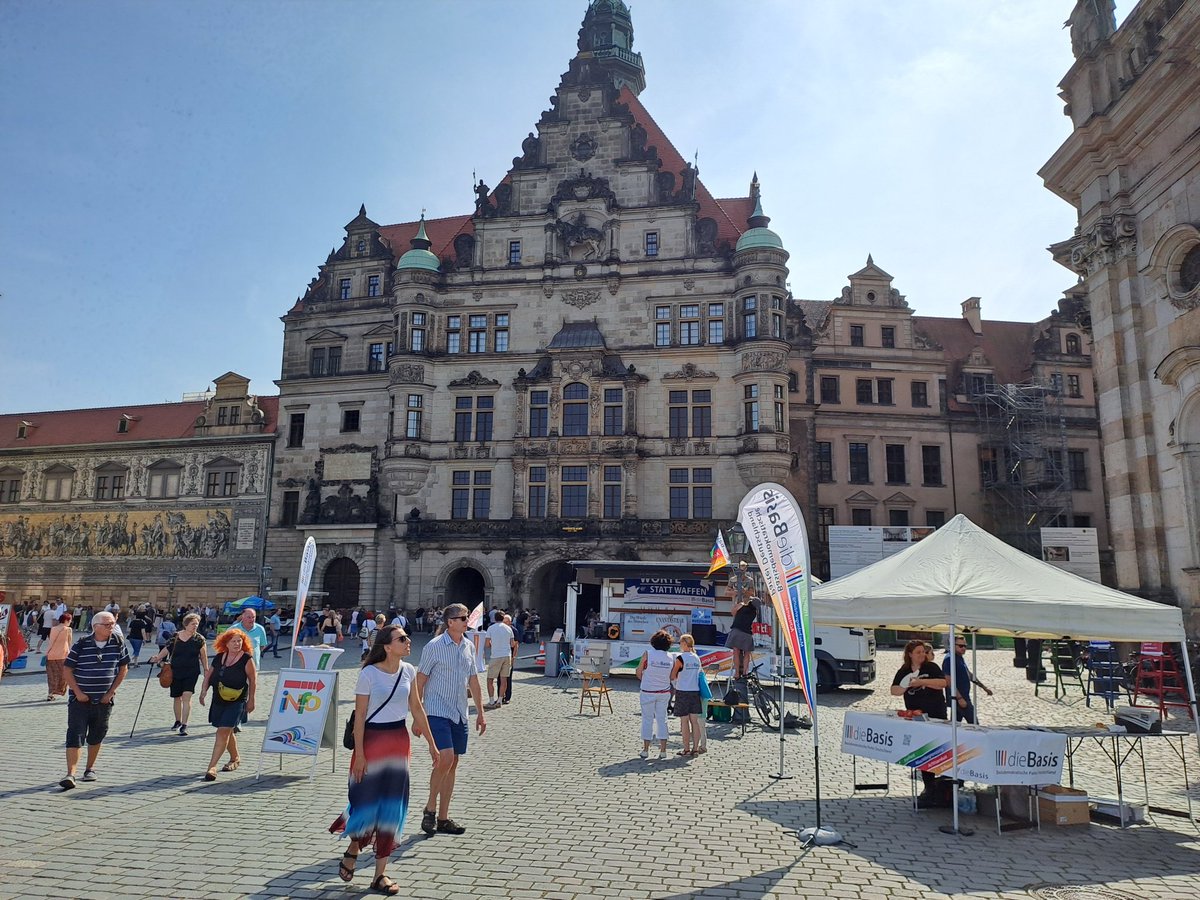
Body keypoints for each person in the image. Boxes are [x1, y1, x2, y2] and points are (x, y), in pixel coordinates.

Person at [330, 625, 439, 895]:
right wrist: (360, 755)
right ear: (387, 646)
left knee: (391, 808)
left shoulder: (409, 671)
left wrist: (432, 746)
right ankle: (353, 849)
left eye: (407, 638)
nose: (408, 641)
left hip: (398, 742)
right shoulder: (368, 674)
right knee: (366, 805)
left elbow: (417, 708)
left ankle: (380, 875)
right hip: (371, 742)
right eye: (402, 639)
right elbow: (360, 716)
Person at [413, 603, 486, 836]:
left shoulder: (468, 646)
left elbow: (473, 680)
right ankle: (430, 808)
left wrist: (481, 713)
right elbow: (420, 680)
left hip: (459, 712)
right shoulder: (434, 647)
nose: (467, 621)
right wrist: (417, 716)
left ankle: (443, 818)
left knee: (453, 763)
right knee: (444, 758)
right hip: (436, 711)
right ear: (450, 622)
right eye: (462, 618)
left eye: (467, 618)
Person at [59, 611, 131, 789]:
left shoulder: (118, 643)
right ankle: (71, 774)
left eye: (113, 623)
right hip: (79, 700)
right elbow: (67, 670)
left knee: (97, 735)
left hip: (104, 700)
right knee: (75, 734)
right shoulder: (82, 643)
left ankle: (90, 769)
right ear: (95, 626)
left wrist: (111, 692)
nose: (111, 627)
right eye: (107, 624)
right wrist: (77, 692)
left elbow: (123, 669)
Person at [890, 639, 950, 808]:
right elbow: (894, 690)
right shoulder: (904, 670)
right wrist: (906, 685)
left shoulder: (931, 667)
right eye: (918, 652)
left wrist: (922, 682)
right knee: (924, 751)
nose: (922, 654)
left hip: (936, 715)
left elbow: (943, 683)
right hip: (916, 717)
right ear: (910, 654)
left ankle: (943, 786)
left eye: (923, 651)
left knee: (939, 749)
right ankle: (929, 788)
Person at [197, 629, 256, 780]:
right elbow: (209, 676)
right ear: (226, 643)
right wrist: (203, 691)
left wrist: (251, 700)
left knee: (222, 731)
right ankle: (235, 757)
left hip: (237, 701)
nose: (237, 644)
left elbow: (253, 680)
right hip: (218, 699)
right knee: (227, 730)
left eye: (239, 641)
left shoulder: (246, 659)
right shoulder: (219, 657)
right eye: (234, 641)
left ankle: (212, 767)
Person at [150, 612, 209, 736]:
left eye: (197, 624)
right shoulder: (175, 637)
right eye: (193, 624)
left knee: (186, 696)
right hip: (175, 671)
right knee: (177, 697)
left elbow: (203, 656)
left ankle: (184, 724)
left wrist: (206, 669)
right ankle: (177, 721)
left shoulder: (199, 639)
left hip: (191, 672)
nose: (195, 626)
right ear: (186, 625)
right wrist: (157, 657)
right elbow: (167, 649)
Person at [636, 630, 674, 760]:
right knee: (662, 719)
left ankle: (645, 750)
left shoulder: (648, 654)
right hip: (664, 691)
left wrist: (646, 680)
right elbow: (672, 676)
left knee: (647, 720)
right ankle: (663, 751)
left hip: (648, 691)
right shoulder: (671, 657)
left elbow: (638, 672)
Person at [943, 636, 993, 725]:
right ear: (953, 645)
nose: (964, 648)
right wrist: (959, 698)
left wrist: (984, 687)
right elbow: (949, 681)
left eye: (965, 646)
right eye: (961, 646)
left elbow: (968, 674)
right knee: (974, 724)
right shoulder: (949, 659)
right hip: (959, 698)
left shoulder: (959, 657)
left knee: (955, 724)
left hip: (963, 696)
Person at [670, 633, 703, 756]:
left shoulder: (680, 658)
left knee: (684, 721)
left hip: (683, 690)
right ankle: (695, 748)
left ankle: (686, 749)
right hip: (695, 691)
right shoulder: (696, 657)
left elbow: (673, 675)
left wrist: (675, 682)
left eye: (680, 643)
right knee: (695, 721)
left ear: (684, 644)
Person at [484, 611, 516, 709]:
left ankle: (491, 700)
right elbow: (512, 644)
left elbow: (487, 644)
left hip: (496, 655)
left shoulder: (491, 628)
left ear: (494, 618)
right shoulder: (509, 628)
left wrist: (493, 645)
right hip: (507, 655)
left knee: (490, 679)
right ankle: (500, 700)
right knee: (504, 679)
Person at [727, 584, 760, 679]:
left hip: (736, 631)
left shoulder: (741, 606)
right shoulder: (754, 613)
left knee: (736, 652)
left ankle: (737, 672)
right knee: (747, 653)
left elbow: (732, 612)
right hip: (747, 633)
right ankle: (745, 672)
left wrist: (736, 602)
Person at [45, 612, 74, 701]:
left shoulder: (53, 629)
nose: (70, 622)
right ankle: (61, 691)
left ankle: (50, 694)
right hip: (63, 655)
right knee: (64, 675)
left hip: (51, 655)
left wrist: (47, 653)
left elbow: (51, 642)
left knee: (52, 676)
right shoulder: (68, 629)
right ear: (66, 620)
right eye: (70, 620)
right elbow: (69, 643)